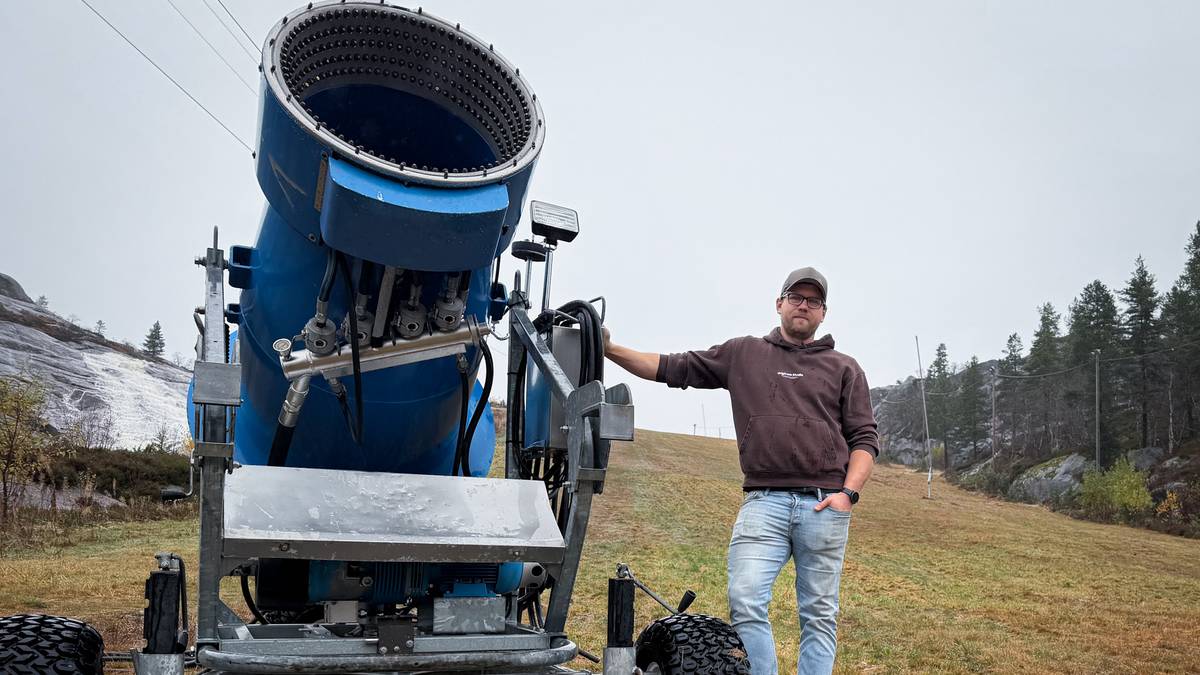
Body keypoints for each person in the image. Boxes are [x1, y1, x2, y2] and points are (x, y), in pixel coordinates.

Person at [603, 266, 879, 675]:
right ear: (779, 303)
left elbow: (865, 440)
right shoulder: (743, 353)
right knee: (746, 598)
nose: (804, 305)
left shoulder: (845, 367)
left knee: (819, 614)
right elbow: (670, 367)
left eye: (814, 301)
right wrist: (609, 348)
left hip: (824, 506)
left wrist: (847, 495)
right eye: (796, 297)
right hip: (763, 502)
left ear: (824, 313)